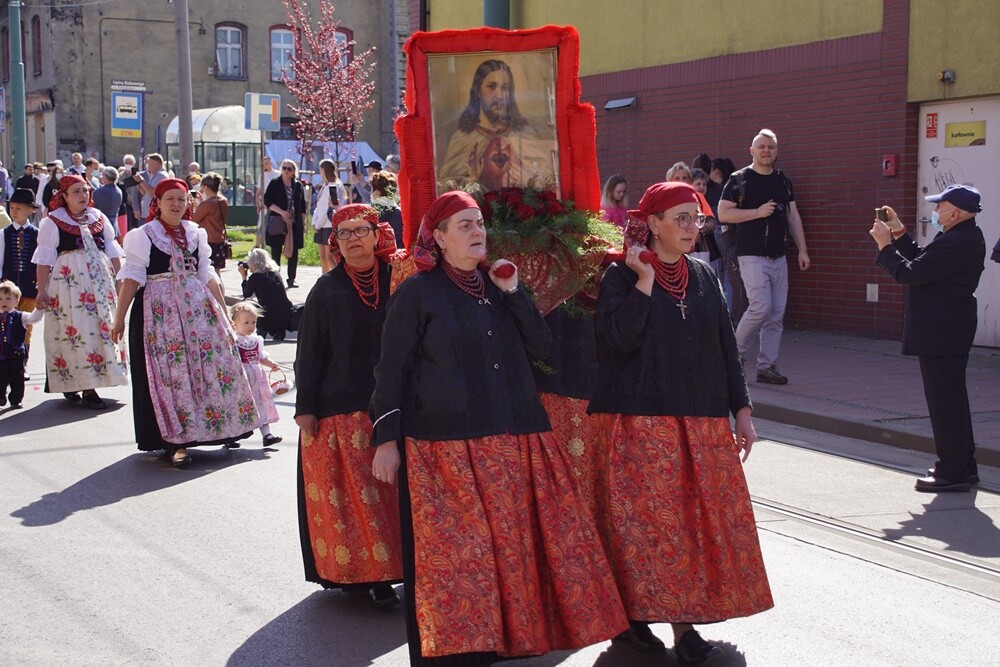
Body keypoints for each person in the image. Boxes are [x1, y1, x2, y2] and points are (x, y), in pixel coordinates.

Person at [370, 191, 627, 665]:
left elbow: (542, 348)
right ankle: (454, 653)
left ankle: (500, 643)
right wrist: (386, 438)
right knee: (458, 556)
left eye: (479, 224)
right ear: (440, 238)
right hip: (443, 445)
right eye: (463, 225)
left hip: (511, 435)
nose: (476, 232)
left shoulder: (499, 285)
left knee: (508, 549)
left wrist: (514, 293)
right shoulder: (418, 293)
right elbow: (391, 369)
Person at [588, 181, 773, 660]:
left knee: (693, 528)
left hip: (702, 421)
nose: (694, 228)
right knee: (648, 530)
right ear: (653, 225)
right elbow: (617, 342)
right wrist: (644, 282)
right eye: (683, 219)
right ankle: (638, 623)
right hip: (639, 423)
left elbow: (725, 347)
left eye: (698, 219)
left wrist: (743, 411)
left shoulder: (704, 275)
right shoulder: (619, 277)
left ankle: (685, 630)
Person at [295, 203, 403, 607]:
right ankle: (369, 578)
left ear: (377, 234)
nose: (354, 238)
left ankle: (403, 568)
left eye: (361, 230)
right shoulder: (326, 290)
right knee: (359, 498)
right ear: (335, 243)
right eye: (344, 233)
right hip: (340, 406)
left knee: (393, 494)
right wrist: (306, 407)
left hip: (394, 402)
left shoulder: (400, 278)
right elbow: (309, 353)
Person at [111, 178, 262, 467]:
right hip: (160, 314)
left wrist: (223, 311)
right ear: (157, 202)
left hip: (199, 311)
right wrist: (119, 318)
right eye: (170, 199)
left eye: (181, 199)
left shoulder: (195, 233)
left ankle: (220, 426)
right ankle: (174, 442)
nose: (176, 204)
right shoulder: (144, 235)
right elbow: (131, 280)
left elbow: (208, 276)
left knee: (210, 366)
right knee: (172, 374)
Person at [871, 186, 986, 492]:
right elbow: (923, 260)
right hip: (948, 330)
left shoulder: (957, 242)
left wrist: (885, 248)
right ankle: (964, 466)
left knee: (945, 403)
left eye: (940, 207)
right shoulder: (961, 237)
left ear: (956, 212)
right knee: (952, 400)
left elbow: (910, 274)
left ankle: (952, 471)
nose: (935, 213)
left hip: (942, 332)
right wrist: (898, 232)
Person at [718, 128, 810, 385]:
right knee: (760, 306)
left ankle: (767, 366)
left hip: (778, 256)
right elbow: (723, 213)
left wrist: (802, 249)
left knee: (776, 312)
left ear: (776, 151)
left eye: (770, 146)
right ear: (752, 151)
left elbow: (793, 216)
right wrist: (757, 213)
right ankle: (733, 356)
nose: (766, 151)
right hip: (750, 253)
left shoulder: (782, 181)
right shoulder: (739, 180)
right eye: (761, 146)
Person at [32, 175, 128, 409]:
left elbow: (113, 250)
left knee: (100, 328)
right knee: (76, 330)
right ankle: (85, 386)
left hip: (100, 282)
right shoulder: (53, 221)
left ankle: (95, 378)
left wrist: (120, 279)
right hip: (69, 284)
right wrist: (41, 291)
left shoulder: (99, 217)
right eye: (76, 191)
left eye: (85, 190)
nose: (83, 195)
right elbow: (44, 259)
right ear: (63, 196)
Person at [438, 59, 555, 192]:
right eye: (492, 86)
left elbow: (547, 179)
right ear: (477, 91)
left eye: (505, 88)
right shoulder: (462, 139)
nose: (499, 95)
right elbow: (444, 186)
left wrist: (527, 177)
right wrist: (470, 180)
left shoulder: (525, 134)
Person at [0, 189, 42, 375]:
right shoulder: (4, 234)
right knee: (4, 325)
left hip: (28, 288)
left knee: (26, 327)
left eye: (18, 208)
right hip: (7, 291)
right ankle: (4, 362)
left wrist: (41, 285)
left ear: (30, 211)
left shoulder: (38, 234)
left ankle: (22, 364)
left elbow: (41, 262)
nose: (14, 211)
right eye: (12, 208)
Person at [231, 300, 282, 448]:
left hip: (257, 379)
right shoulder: (234, 341)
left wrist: (271, 364)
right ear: (235, 324)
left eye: (253, 322)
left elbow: (260, 357)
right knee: (239, 406)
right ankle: (233, 436)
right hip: (242, 379)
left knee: (261, 404)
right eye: (246, 323)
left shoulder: (256, 340)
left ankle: (267, 434)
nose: (250, 326)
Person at [0, 281, 45, 408]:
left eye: (8, 298)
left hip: (16, 354)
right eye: (0, 298)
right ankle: (0, 396)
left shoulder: (21, 316)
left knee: (17, 378)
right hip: (1, 355)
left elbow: (34, 319)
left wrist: (39, 309)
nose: (4, 301)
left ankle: (16, 399)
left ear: (16, 301)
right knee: (1, 377)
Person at [263, 159, 306, 288]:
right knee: (276, 250)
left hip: (293, 223)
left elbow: (302, 206)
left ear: (294, 172)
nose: (286, 171)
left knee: (293, 252)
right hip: (278, 221)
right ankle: (276, 278)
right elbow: (268, 202)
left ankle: (291, 279)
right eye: (284, 168)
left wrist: (302, 224)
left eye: (289, 169)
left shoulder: (297, 186)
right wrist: (282, 212)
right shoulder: (275, 183)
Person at [238, 248, 293, 339]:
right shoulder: (275, 273)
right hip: (286, 313)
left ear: (253, 263)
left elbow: (246, 294)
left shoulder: (255, 277)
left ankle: (261, 329)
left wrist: (244, 276)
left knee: (250, 303)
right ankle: (279, 332)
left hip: (268, 316)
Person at [190, 172, 229, 285]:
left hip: (209, 241)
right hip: (220, 240)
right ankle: (220, 299)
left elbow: (193, 219)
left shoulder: (207, 204)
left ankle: (213, 299)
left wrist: (194, 205)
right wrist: (202, 203)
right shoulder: (223, 201)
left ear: (206, 187)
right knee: (217, 273)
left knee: (210, 275)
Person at [310, 159, 344, 273]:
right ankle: (324, 280)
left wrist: (318, 224)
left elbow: (330, 208)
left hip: (329, 225)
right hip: (321, 225)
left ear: (324, 170)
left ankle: (335, 282)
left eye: (320, 169)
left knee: (330, 257)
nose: (319, 171)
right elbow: (319, 206)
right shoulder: (325, 185)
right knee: (323, 257)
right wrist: (314, 222)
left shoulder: (334, 186)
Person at [369, 170, 403, 247]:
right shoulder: (400, 211)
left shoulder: (370, 213)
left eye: (371, 189)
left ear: (377, 192)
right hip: (398, 253)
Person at [135, 153, 166, 220]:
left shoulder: (161, 175)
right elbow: (146, 192)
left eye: (150, 164)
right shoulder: (154, 175)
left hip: (153, 214)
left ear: (157, 164)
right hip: (148, 213)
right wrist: (138, 183)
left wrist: (141, 180)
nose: (148, 166)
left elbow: (152, 192)